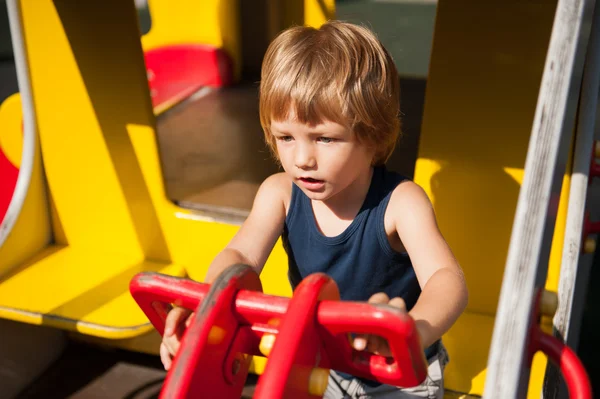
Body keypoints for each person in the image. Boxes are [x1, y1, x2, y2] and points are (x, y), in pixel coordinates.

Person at [159, 20, 468, 399]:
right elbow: (239, 255)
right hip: (323, 362)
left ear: (372, 135)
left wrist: (412, 330)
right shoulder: (280, 194)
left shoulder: (401, 202)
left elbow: (446, 278)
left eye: (324, 138)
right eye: (285, 137)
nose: (302, 158)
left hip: (396, 373)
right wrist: (210, 306)